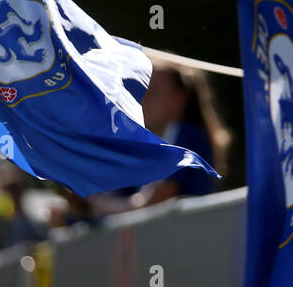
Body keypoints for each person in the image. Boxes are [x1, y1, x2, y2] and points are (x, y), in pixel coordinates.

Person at [89, 60, 231, 215]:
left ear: (179, 99)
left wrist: (94, 206)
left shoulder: (187, 137)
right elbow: (116, 193)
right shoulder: (145, 148)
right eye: (142, 90)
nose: (144, 99)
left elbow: (154, 202)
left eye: (153, 91)